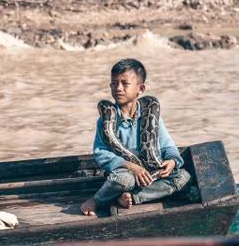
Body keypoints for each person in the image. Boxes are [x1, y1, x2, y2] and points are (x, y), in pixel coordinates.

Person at [81, 58, 190, 216]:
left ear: (140, 88)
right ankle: (98, 200)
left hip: (150, 174)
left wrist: (172, 161)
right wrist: (131, 167)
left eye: (125, 83)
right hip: (123, 173)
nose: (118, 88)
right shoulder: (107, 119)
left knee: (183, 177)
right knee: (125, 180)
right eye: (114, 83)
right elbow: (101, 153)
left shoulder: (153, 116)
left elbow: (168, 146)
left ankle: (132, 197)